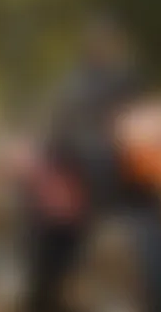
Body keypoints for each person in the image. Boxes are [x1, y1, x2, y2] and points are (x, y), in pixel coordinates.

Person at [45, 14, 145, 210]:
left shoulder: (125, 77)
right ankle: (105, 213)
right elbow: (64, 116)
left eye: (110, 41)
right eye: (101, 41)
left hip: (118, 136)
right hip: (79, 140)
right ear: (90, 45)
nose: (106, 47)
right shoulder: (77, 79)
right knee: (102, 155)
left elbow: (137, 110)